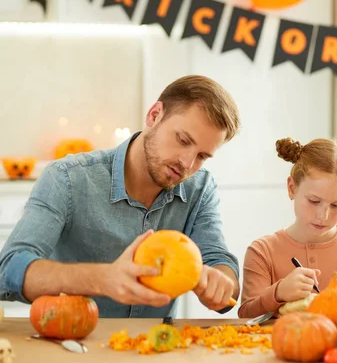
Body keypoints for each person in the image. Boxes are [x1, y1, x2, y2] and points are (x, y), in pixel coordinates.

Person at [0, 75, 240, 318]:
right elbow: (8, 269)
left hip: (158, 348)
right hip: (75, 345)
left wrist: (220, 282)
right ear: (154, 115)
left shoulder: (199, 188)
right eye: (182, 140)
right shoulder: (67, 178)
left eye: (202, 156)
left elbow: (219, 261)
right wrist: (103, 279)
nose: (187, 164)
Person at [239, 137, 337, 318]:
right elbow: (246, 313)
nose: (323, 216)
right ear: (292, 188)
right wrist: (277, 293)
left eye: (336, 205)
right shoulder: (262, 251)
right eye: (314, 201)